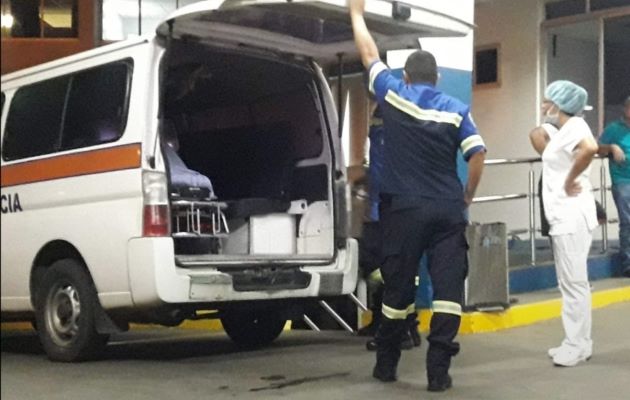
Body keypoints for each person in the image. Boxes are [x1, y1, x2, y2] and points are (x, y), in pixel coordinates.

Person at [348, 0, 486, 391]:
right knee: (446, 293)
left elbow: (370, 54)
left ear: (407, 77)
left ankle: (387, 365)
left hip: (403, 209)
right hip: (446, 209)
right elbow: (478, 155)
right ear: (438, 78)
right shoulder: (457, 110)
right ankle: (438, 374)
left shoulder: (394, 94)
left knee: (397, 292)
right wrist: (468, 195)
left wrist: (356, 14)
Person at [529, 80, 598, 367]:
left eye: (548, 101)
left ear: (560, 104)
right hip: (565, 216)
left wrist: (570, 180)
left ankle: (576, 344)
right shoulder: (563, 131)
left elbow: (590, 148)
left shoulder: (576, 127)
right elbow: (538, 139)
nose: (544, 105)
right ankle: (580, 343)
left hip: (571, 215)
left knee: (573, 284)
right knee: (572, 283)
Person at [359, 100, 421, 352]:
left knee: (392, 272)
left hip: (392, 211)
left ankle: (402, 329)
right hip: (380, 208)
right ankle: (387, 322)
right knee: (374, 267)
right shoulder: (381, 137)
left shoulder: (395, 138)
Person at [598, 96, 630, 278]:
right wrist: (612, 147)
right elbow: (595, 147)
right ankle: (628, 264)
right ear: (626, 110)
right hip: (623, 181)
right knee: (628, 223)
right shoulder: (614, 129)